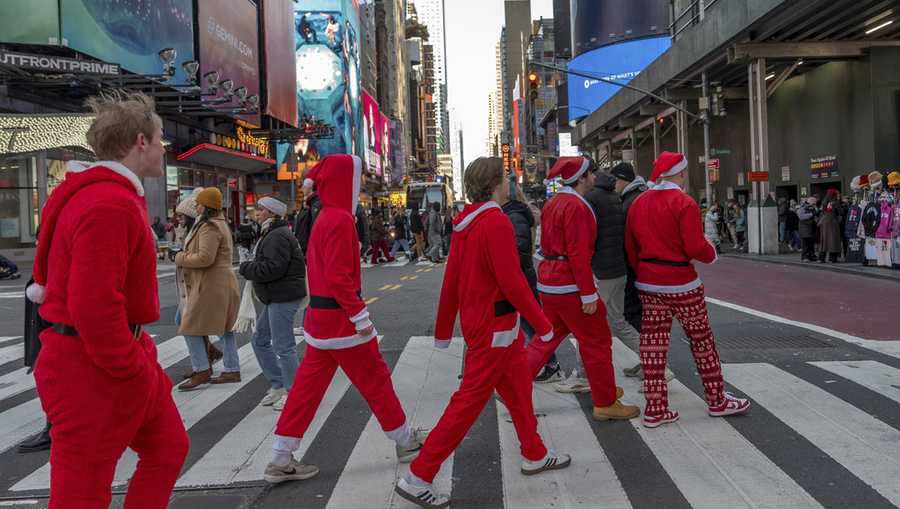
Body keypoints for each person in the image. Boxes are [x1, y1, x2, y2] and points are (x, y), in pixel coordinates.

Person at [26, 91, 188, 507]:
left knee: (168, 447)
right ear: (140, 141)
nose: (163, 149)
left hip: (114, 356)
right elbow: (93, 305)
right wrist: (132, 368)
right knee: (80, 494)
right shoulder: (109, 204)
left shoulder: (102, 195)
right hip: (91, 367)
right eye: (159, 139)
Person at [396, 158, 570, 508]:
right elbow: (513, 281)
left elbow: (453, 281)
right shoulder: (494, 221)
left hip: (487, 326)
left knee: (518, 387)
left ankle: (534, 452)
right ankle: (419, 475)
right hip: (496, 327)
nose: (510, 184)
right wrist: (543, 323)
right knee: (469, 402)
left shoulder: (465, 222)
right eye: (506, 179)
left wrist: (445, 328)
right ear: (495, 183)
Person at [266, 155, 425, 484]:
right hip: (342, 323)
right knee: (376, 381)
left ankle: (281, 456)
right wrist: (359, 315)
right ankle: (406, 440)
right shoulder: (339, 219)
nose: (359, 184)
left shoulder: (325, 216)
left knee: (307, 391)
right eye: (356, 178)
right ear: (344, 182)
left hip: (321, 322)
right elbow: (340, 278)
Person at [625, 151, 750, 428]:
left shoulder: (639, 202)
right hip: (681, 282)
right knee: (701, 340)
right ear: (680, 174)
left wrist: (643, 271)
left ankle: (655, 408)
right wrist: (712, 253)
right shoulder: (684, 202)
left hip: (648, 281)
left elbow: (631, 247)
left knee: (652, 345)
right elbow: (696, 247)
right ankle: (717, 400)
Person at [526, 156, 639, 421]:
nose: (595, 177)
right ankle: (605, 401)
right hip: (570, 285)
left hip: (551, 283)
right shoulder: (576, 206)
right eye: (591, 173)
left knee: (545, 339)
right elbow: (578, 253)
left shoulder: (553, 203)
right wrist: (588, 293)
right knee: (597, 341)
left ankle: (513, 388)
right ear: (581, 178)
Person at [584, 162, 673, 385]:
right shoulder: (618, 197)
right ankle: (653, 363)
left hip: (613, 269)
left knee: (592, 324)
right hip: (623, 268)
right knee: (619, 320)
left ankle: (586, 375)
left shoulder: (602, 199)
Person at [240, 197, 308, 411]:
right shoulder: (272, 233)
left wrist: (246, 268)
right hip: (276, 295)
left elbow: (273, 268)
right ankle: (280, 384)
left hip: (283, 295)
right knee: (260, 340)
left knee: (283, 345)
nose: (257, 213)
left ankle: (294, 392)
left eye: (260, 210)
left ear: (271, 213)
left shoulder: (276, 236)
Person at [175, 188, 242, 391]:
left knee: (190, 326)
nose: (196, 206)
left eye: (199, 203)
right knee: (223, 328)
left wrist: (180, 258)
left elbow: (205, 258)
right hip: (217, 283)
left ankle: (202, 369)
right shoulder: (217, 223)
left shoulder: (209, 227)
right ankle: (229, 367)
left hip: (212, 284)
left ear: (206, 206)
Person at [502, 185, 561, 383]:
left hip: (521, 275)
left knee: (531, 322)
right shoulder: (520, 213)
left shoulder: (516, 215)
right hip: (523, 274)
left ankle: (551, 363)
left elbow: (518, 249)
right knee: (524, 322)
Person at [817, 189, 842, 263]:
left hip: (824, 222)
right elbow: (840, 212)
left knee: (824, 240)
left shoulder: (824, 202)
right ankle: (832, 258)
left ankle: (821, 258)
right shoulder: (835, 202)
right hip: (832, 222)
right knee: (833, 240)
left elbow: (822, 211)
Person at [798, 197, 819, 262]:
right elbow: (801, 216)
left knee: (811, 244)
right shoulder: (803, 207)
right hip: (805, 228)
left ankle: (811, 256)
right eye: (814, 202)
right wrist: (812, 214)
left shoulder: (812, 207)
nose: (815, 204)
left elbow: (816, 215)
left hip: (811, 228)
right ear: (811, 201)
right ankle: (805, 257)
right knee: (805, 244)